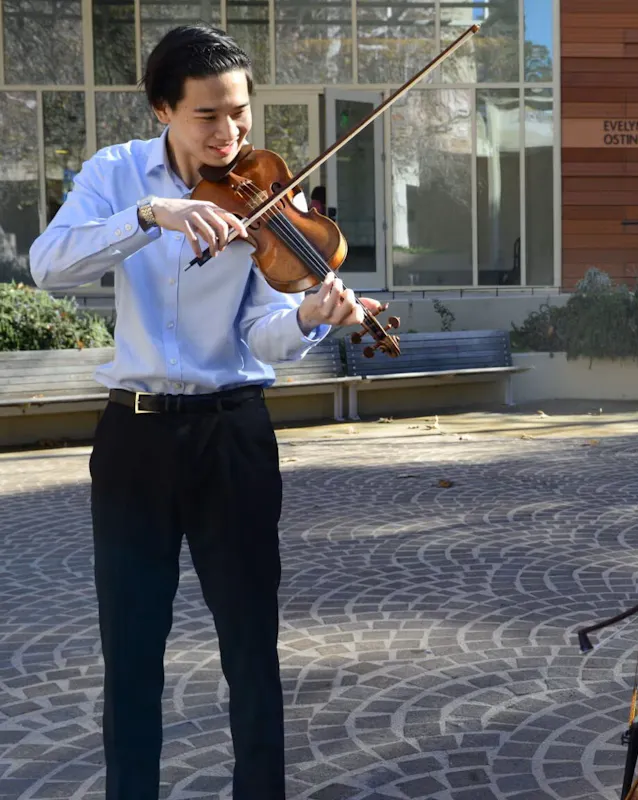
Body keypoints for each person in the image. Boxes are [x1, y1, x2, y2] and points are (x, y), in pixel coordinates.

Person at [28, 24, 382, 800]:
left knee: (251, 646)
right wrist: (151, 216)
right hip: (135, 437)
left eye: (241, 113)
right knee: (130, 652)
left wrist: (312, 313)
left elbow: (261, 331)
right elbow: (47, 264)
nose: (230, 134)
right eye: (209, 116)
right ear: (164, 109)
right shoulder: (116, 174)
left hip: (233, 435)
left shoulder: (264, 193)